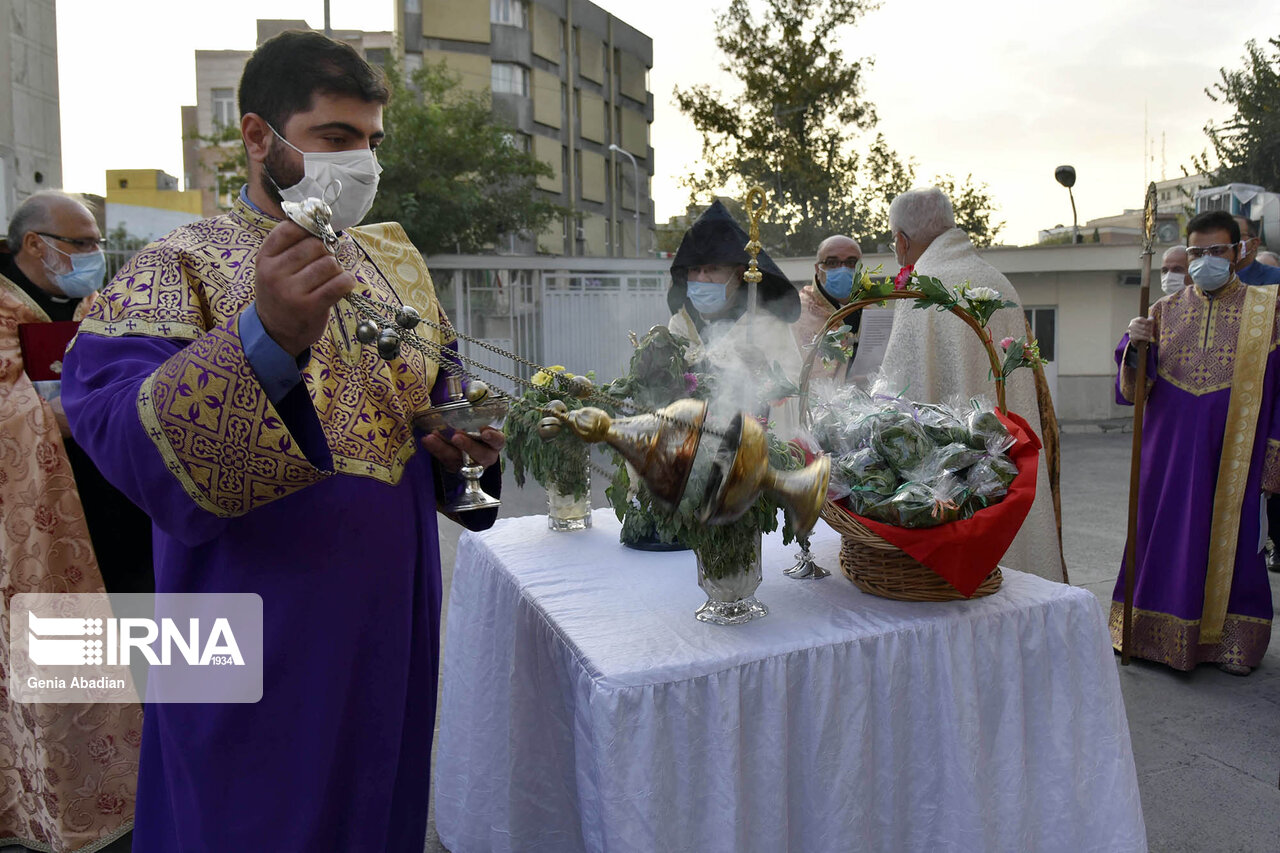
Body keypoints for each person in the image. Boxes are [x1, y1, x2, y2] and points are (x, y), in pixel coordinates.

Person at [61, 32, 503, 851]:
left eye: (371, 141)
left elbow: (436, 401)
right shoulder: (175, 265)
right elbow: (117, 431)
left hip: (385, 622)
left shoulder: (392, 266)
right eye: (336, 138)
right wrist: (263, 338)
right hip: (246, 633)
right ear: (259, 137)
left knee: (378, 807)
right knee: (240, 819)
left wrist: (463, 445)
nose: (361, 162)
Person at [1, 192, 142, 851]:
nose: (94, 255)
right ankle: (53, 807)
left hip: (117, 511)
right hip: (36, 527)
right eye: (80, 243)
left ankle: (137, 791)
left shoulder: (103, 307)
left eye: (94, 243)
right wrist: (49, 410)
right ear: (35, 245)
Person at [1113, 210, 1277, 674]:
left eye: (1216, 251)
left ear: (1237, 252)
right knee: (1162, 539)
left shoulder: (1268, 312)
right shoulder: (1162, 312)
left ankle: (1229, 645)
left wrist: (1273, 457)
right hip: (1167, 456)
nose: (1206, 261)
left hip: (1234, 454)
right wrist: (1133, 346)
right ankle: (1150, 636)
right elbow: (1135, 391)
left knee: (1234, 543)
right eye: (1197, 253)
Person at [878, 187, 1064, 581]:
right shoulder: (995, 279)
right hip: (1009, 462)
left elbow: (895, 399)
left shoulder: (925, 287)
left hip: (950, 486)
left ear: (901, 240)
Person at [667, 199, 802, 429]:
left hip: (753, 448)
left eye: (712, 269)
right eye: (694, 270)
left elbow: (793, 400)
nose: (701, 278)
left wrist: (763, 372)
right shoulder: (681, 324)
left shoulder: (768, 325)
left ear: (739, 275)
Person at [791, 234, 864, 380]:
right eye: (832, 262)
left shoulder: (868, 307)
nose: (843, 269)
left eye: (851, 262)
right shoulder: (798, 312)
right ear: (818, 269)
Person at [1233, 215, 1280, 285]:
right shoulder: (1213, 280)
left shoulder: (1276, 278)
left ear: (1254, 243)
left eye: (1234, 236)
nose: (1226, 242)